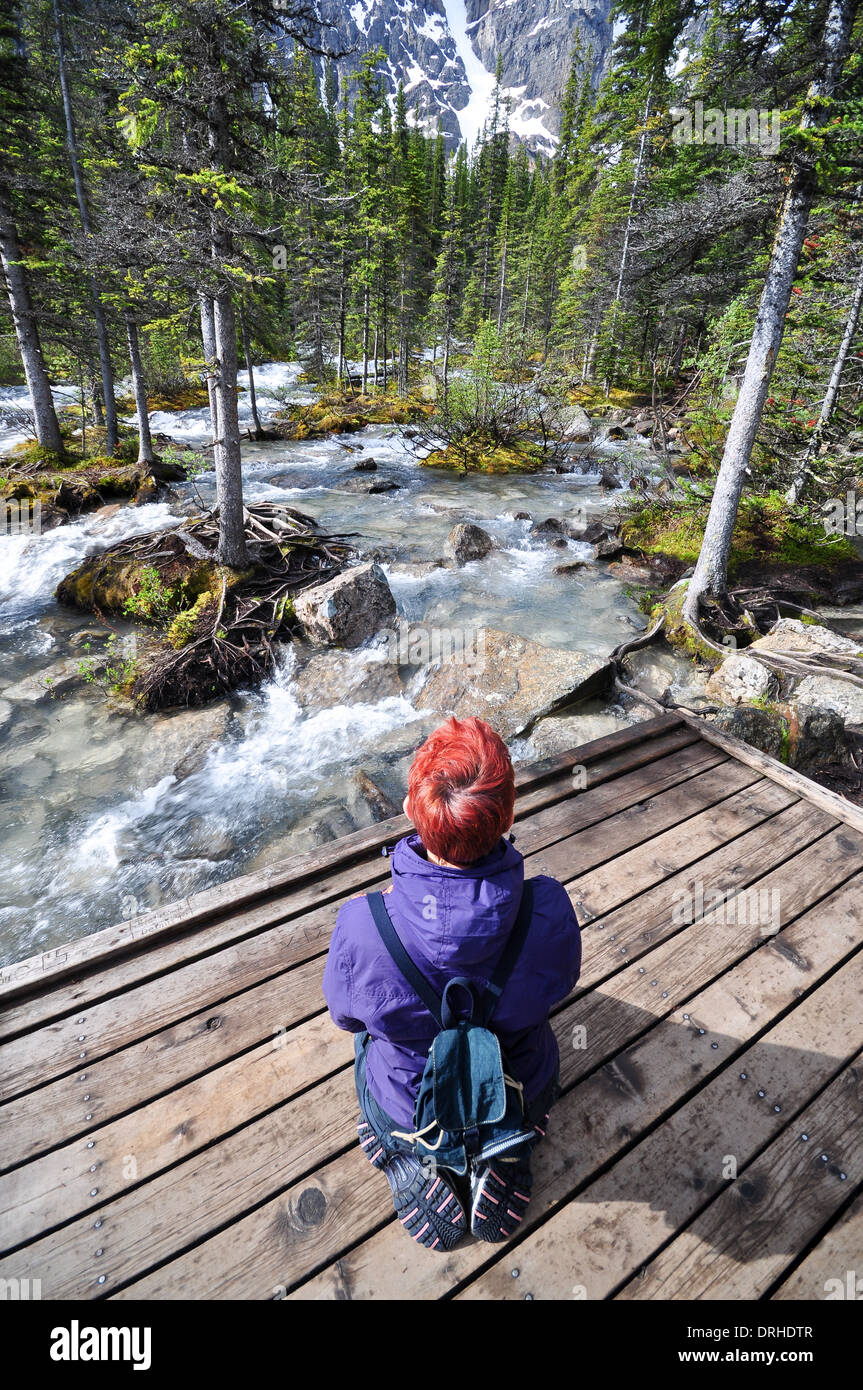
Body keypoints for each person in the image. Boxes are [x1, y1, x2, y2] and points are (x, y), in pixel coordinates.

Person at [322, 715, 581, 1251]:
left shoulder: (363, 924)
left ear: (412, 812)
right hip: (520, 1087)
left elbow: (345, 1016)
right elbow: (559, 986)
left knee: (367, 1044)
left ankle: (410, 1147)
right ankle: (506, 1143)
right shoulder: (547, 905)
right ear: (508, 815)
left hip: (410, 1100)